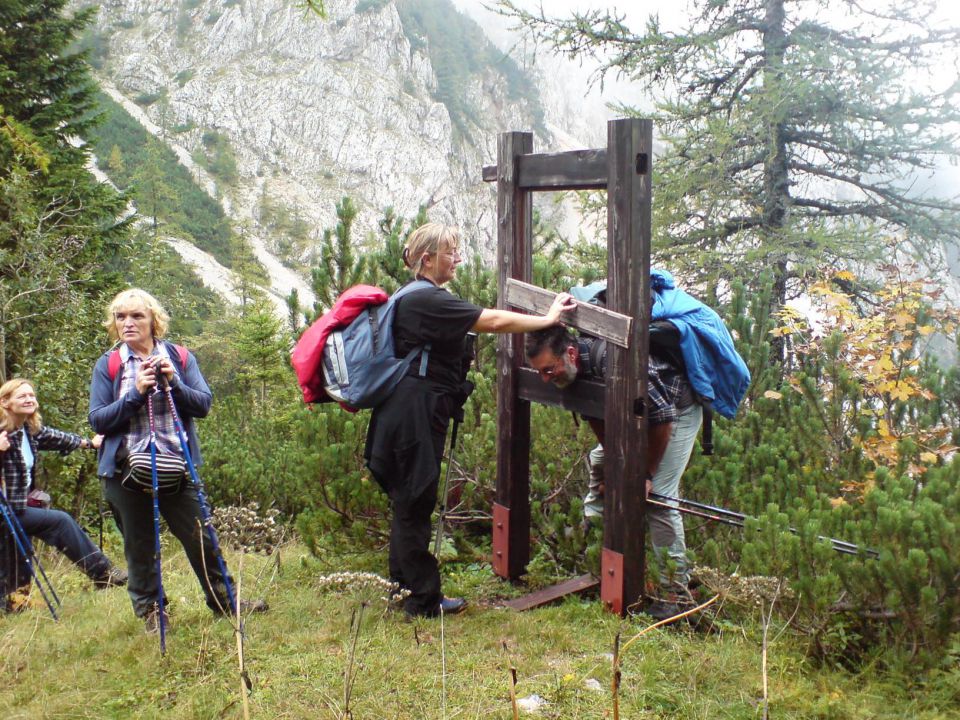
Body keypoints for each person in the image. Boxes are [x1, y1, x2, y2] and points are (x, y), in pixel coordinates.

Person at [364, 223, 576, 618]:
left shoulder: (411, 298)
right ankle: (421, 601)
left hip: (403, 409)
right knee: (415, 501)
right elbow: (493, 321)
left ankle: (404, 592)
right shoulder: (427, 300)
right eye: (450, 252)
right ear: (427, 259)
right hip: (414, 413)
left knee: (408, 501)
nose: (457, 258)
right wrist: (547, 319)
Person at [88, 288, 266, 633]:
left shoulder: (181, 357)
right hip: (125, 470)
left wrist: (174, 384)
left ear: (154, 320)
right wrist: (135, 394)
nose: (127, 323)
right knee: (139, 546)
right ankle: (152, 612)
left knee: (201, 536)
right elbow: (98, 420)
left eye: (136, 316)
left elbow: (203, 404)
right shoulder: (108, 364)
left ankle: (225, 600)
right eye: (120, 317)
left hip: (176, 464)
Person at [525, 323, 703, 620]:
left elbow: (663, 421)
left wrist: (644, 474)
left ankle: (676, 592)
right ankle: (593, 537)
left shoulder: (616, 361)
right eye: (540, 372)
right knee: (598, 459)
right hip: (639, 415)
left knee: (658, 496)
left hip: (676, 413)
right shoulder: (572, 371)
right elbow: (596, 416)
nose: (544, 379)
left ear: (570, 353)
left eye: (548, 369)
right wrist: (613, 468)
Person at [0, 378, 127, 614]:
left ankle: (14, 605)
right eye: (22, 396)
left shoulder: (28, 430)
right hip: (5, 511)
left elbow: (56, 438)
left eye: (31, 395)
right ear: (5, 402)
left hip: (17, 507)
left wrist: (89, 443)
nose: (29, 400)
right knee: (59, 521)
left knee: (16, 551)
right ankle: (103, 573)